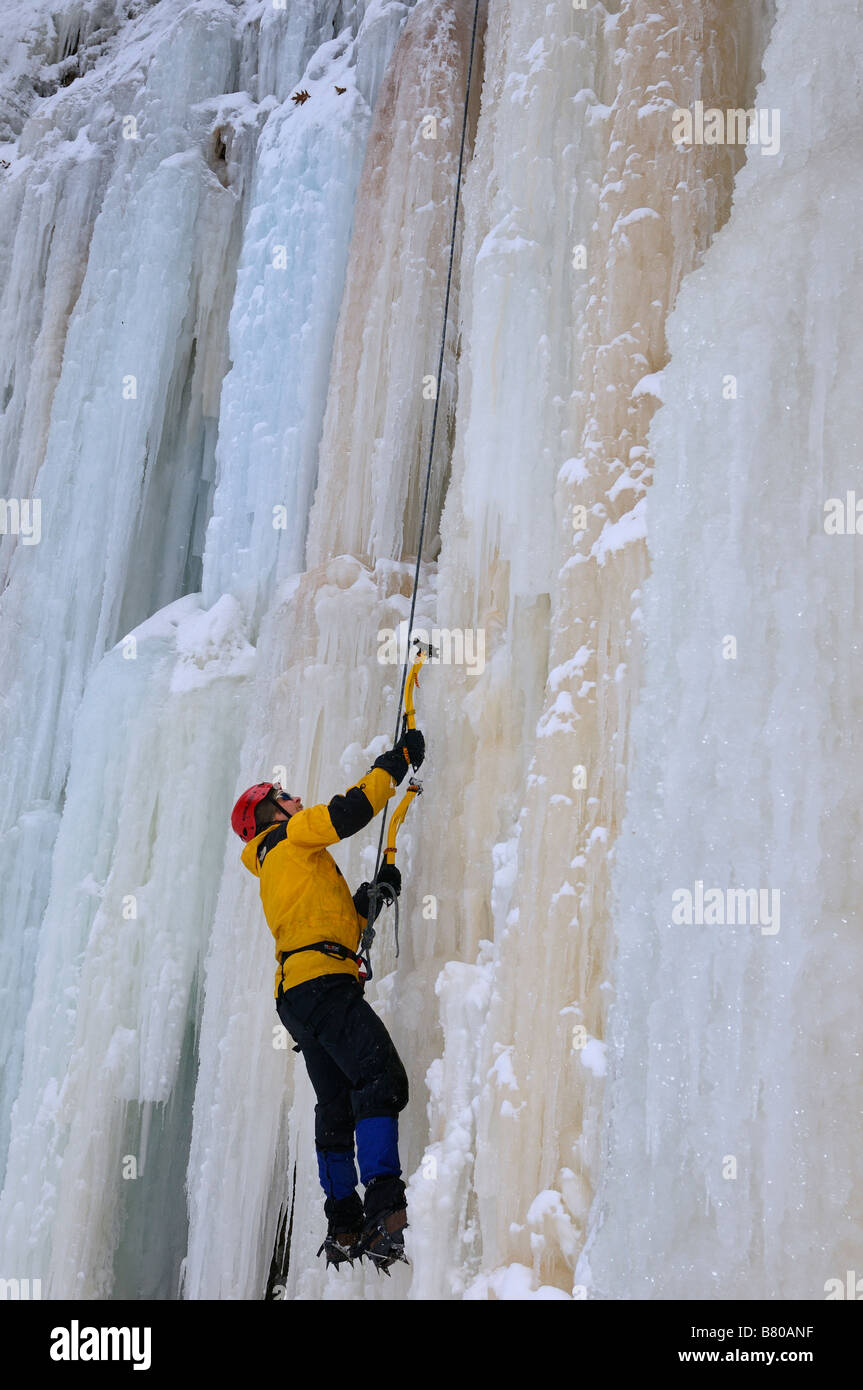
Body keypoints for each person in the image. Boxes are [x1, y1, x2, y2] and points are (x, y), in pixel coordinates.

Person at [231, 727, 425, 1272]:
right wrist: (396, 761)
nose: (292, 799)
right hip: (322, 984)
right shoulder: (293, 837)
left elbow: (327, 924)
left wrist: (371, 896)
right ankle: (384, 1204)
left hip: (297, 994)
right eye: (283, 797)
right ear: (271, 813)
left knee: (336, 1105)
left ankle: (343, 1221)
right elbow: (351, 810)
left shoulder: (277, 865)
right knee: (380, 1078)